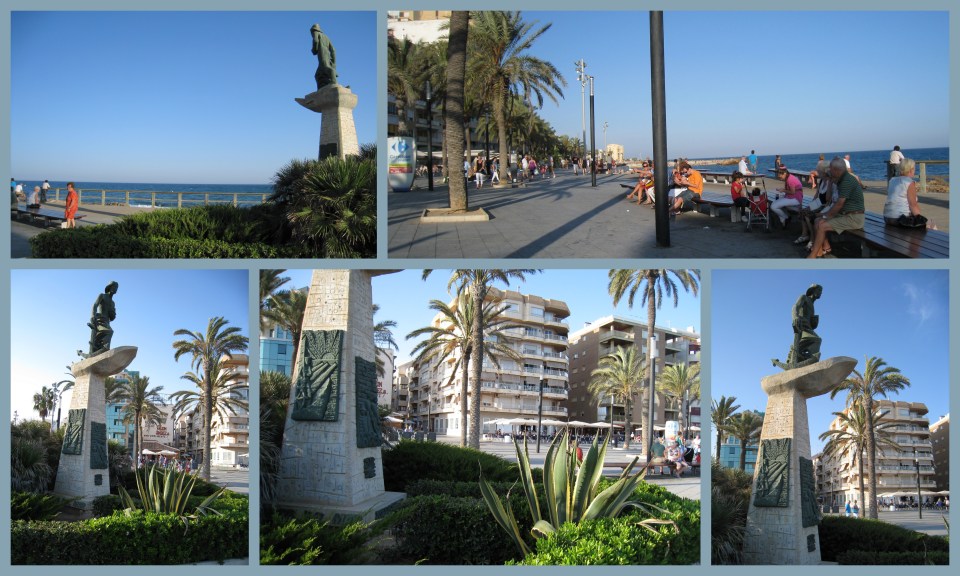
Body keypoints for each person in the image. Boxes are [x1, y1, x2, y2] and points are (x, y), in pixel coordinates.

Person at [807, 157, 865, 259]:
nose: (829, 171)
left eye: (830, 169)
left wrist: (826, 216)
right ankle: (819, 251)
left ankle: (813, 255)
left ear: (836, 170)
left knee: (822, 225)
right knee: (817, 221)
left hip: (854, 218)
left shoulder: (846, 181)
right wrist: (823, 216)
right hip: (846, 214)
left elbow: (839, 204)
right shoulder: (842, 179)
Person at [796, 160, 838, 248]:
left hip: (824, 205)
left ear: (824, 172)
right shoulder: (822, 180)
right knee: (803, 211)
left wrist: (815, 208)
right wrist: (811, 205)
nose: (817, 172)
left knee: (809, 216)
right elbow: (817, 194)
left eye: (818, 171)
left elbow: (828, 200)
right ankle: (805, 234)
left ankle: (812, 238)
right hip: (818, 203)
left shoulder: (831, 182)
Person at [883, 157, 935, 228]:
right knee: (931, 224)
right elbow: (913, 205)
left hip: (887, 217)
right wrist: (919, 219)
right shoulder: (909, 182)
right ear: (911, 169)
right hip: (901, 220)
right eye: (914, 168)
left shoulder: (892, 180)